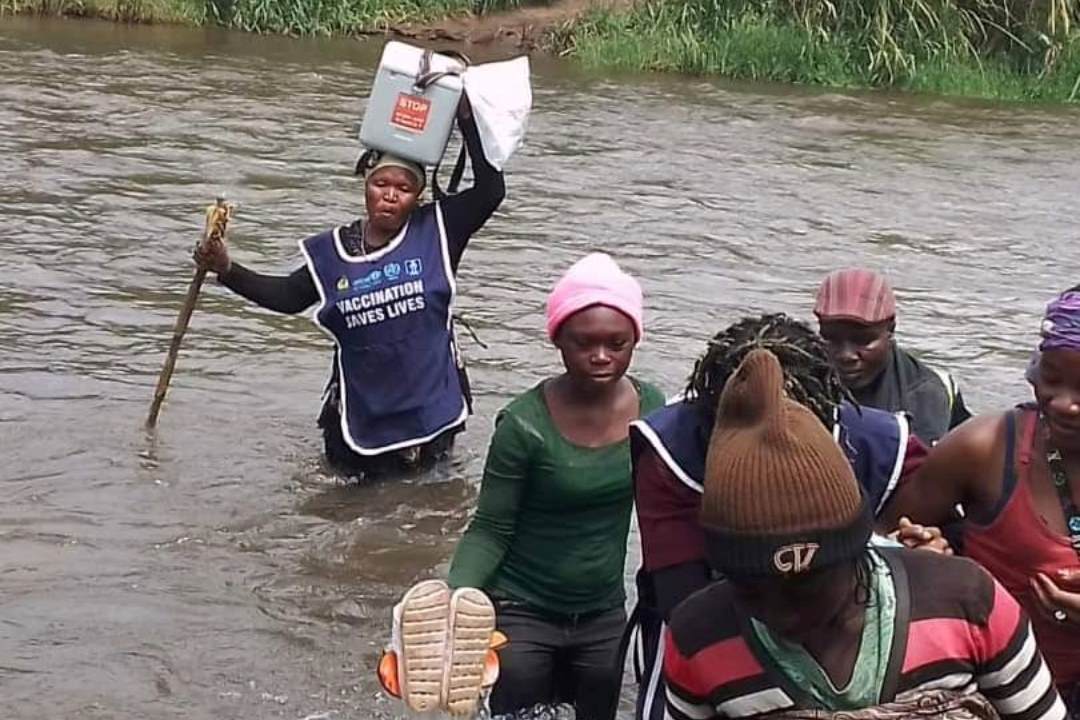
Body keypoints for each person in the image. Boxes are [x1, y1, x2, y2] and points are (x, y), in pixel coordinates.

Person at [663, 349, 1067, 720]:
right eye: (753, 589)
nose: (785, 614)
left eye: (809, 587)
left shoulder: (968, 603)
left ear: (860, 550)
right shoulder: (697, 637)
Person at [629, 314, 938, 720]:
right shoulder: (673, 448)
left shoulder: (882, 446)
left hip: (849, 625)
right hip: (711, 619)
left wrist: (921, 547)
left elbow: (937, 537)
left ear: (828, 411)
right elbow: (679, 594)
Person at [193, 99, 504, 479]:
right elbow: (288, 297)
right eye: (381, 184)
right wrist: (226, 268)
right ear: (366, 186)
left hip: (430, 408)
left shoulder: (439, 230)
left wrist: (467, 120)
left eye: (404, 188)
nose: (390, 195)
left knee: (429, 497)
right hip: (360, 412)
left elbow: (491, 191)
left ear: (418, 197)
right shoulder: (333, 252)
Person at [447, 253, 665, 720]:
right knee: (518, 701)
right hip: (523, 609)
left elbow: (667, 512)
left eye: (617, 343)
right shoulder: (523, 425)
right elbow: (490, 528)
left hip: (604, 613)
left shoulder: (652, 409)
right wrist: (454, 598)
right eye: (584, 343)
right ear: (559, 341)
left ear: (634, 342)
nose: (602, 356)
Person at [882, 288, 1080, 714]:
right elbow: (875, 545)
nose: (1065, 404)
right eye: (1052, 378)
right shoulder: (987, 449)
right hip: (989, 695)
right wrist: (919, 555)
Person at [814, 268, 971, 445]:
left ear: (890, 330)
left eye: (863, 340)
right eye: (830, 338)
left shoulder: (925, 396)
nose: (846, 355)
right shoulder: (797, 381)